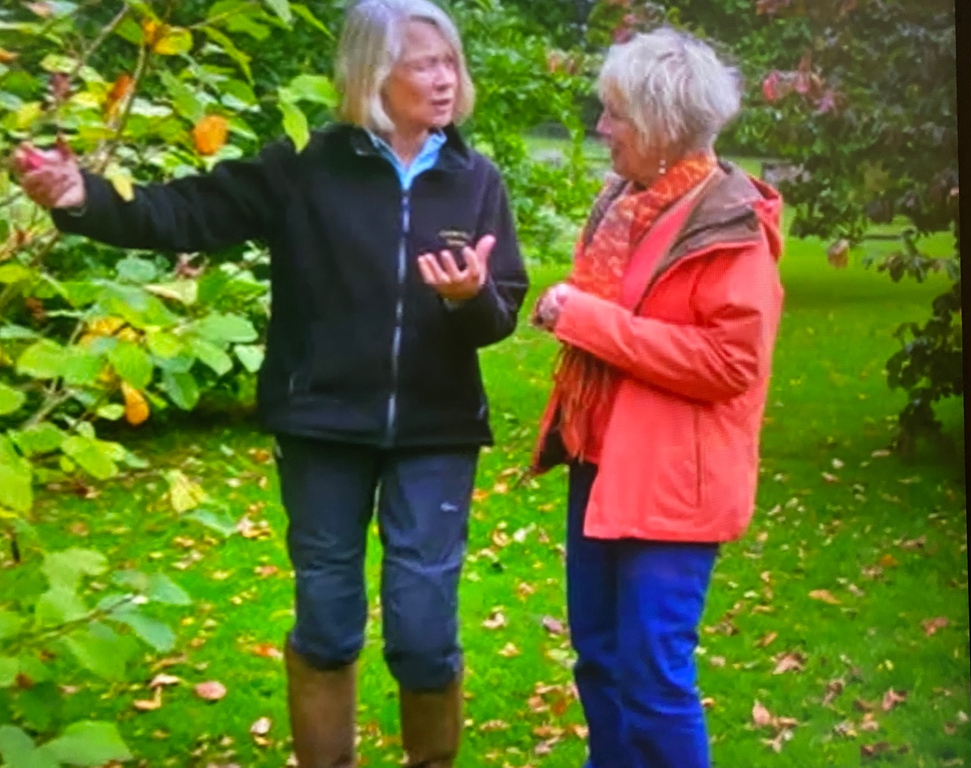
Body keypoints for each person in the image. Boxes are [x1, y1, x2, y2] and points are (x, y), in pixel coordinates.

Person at [12, 1, 528, 766]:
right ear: (373, 74)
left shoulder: (475, 179)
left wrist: (469, 298)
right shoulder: (305, 167)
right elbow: (185, 212)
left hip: (436, 429)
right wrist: (83, 197)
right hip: (322, 426)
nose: (445, 78)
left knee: (424, 633)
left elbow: (500, 311)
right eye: (425, 63)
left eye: (450, 61)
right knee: (326, 625)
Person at [529, 27, 785, 768]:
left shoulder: (729, 228)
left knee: (652, 676)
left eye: (615, 114)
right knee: (600, 660)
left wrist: (586, 319)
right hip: (601, 463)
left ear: (663, 126)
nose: (602, 128)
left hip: (674, 483)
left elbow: (730, 361)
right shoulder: (627, 202)